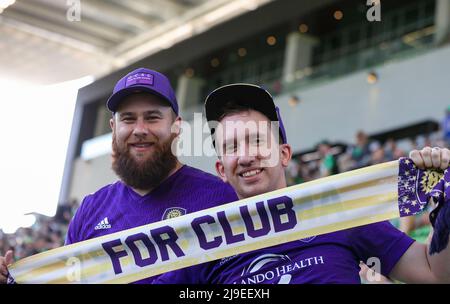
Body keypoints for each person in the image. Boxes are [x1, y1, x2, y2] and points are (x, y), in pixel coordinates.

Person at [154, 83, 450, 284]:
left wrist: (445, 199)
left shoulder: (336, 211)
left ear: (284, 154)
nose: (245, 157)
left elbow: (433, 273)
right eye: (231, 147)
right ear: (221, 169)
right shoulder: (204, 242)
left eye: (257, 141)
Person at [0, 68, 238, 284]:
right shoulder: (91, 210)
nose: (140, 129)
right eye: (128, 118)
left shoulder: (220, 197)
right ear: (114, 128)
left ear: (176, 127)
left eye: (152, 117)